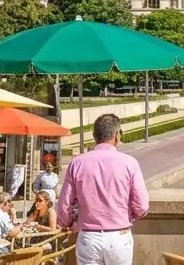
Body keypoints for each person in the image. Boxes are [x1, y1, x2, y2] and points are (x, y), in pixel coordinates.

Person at [58, 113, 149, 265]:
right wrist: (124, 214)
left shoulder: (77, 163)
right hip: (119, 234)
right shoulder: (129, 163)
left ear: (94, 136)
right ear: (117, 136)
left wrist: (68, 223)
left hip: (89, 236)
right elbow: (142, 206)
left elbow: (64, 206)